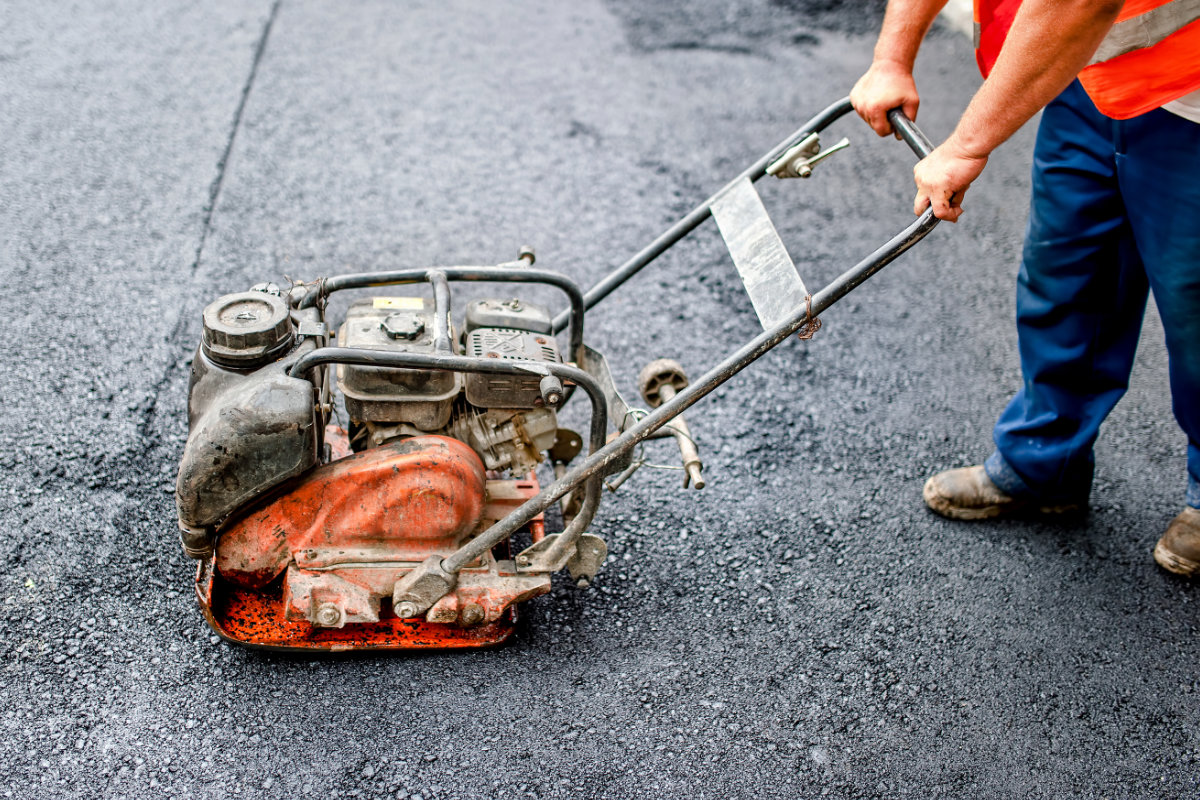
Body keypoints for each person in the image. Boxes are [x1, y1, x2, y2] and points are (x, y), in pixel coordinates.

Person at [849, 0, 1200, 574]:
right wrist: (891, 57)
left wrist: (965, 145)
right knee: (1066, 272)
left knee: (1194, 301)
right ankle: (1046, 460)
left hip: (1191, 91)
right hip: (1090, 76)